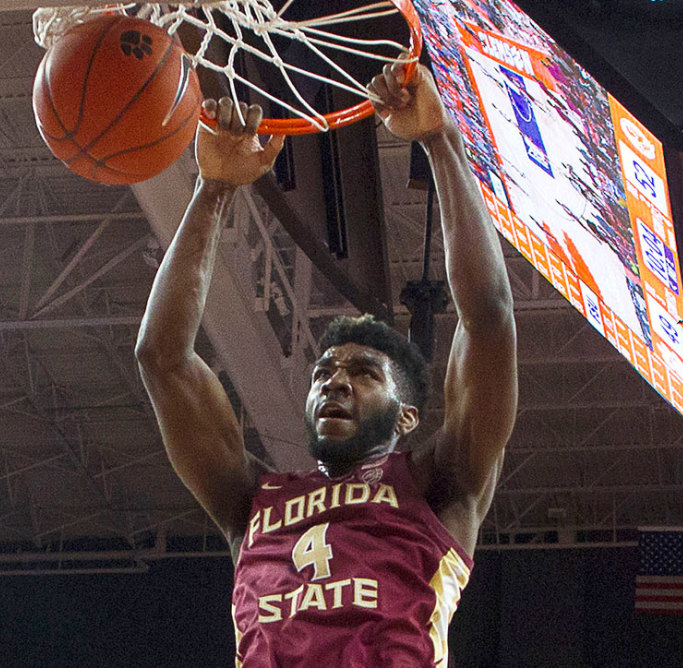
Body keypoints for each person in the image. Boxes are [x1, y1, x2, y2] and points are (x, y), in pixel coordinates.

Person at [135, 61, 517, 667]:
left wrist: (441, 140)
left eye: (364, 373)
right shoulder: (250, 501)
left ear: (407, 417)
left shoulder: (439, 483)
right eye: (324, 374)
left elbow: (489, 317)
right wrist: (212, 191)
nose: (336, 380)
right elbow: (161, 359)